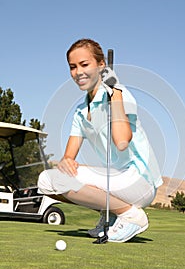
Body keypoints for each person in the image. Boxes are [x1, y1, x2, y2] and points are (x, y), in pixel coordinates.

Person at [38, 38, 163, 243]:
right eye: (73, 67)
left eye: (85, 64)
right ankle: (113, 213)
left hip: (140, 181)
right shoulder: (80, 111)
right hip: (116, 180)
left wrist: (115, 94)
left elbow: (122, 141)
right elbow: (68, 157)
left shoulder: (121, 96)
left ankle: (131, 216)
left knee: (57, 180)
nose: (78, 72)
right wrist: (66, 162)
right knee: (47, 181)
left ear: (101, 66)